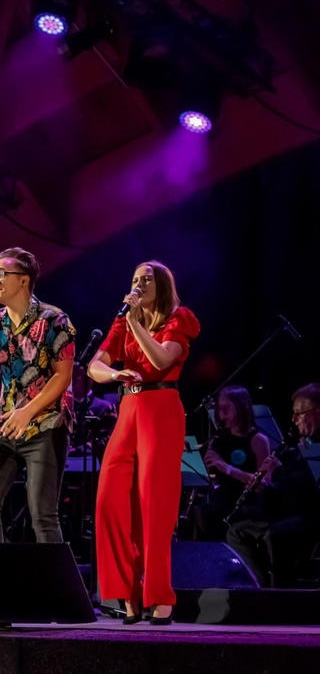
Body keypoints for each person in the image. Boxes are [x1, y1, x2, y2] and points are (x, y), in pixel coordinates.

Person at [87, 261, 200, 624]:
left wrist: (136, 324)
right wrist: (113, 373)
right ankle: (127, 592)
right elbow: (95, 365)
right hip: (129, 408)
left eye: (146, 279)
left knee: (155, 503)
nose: (138, 284)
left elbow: (161, 359)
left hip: (161, 407)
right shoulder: (123, 322)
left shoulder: (179, 318)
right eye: (135, 279)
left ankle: (160, 595)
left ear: (162, 284)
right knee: (110, 501)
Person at [0, 247, 75, 546]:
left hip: (46, 424)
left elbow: (63, 376)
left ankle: (56, 578)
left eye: (1, 274)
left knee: (43, 516)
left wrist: (28, 411)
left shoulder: (54, 319)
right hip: (6, 425)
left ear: (23, 280)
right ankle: (1, 575)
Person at [226, 384, 320, 588]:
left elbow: (307, 495)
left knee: (276, 535)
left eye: (299, 413)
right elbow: (287, 491)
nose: (294, 419)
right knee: (237, 531)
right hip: (290, 512)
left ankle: (282, 593)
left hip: (312, 514)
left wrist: (277, 472)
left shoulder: (314, 449)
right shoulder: (300, 446)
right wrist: (265, 487)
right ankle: (259, 585)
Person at [191, 386, 271, 540]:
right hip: (223, 498)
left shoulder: (258, 440)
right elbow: (214, 476)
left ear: (242, 407)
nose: (222, 413)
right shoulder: (219, 438)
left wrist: (227, 468)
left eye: (228, 407)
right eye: (220, 408)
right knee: (197, 511)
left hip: (246, 503)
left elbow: (263, 484)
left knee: (205, 513)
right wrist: (206, 469)